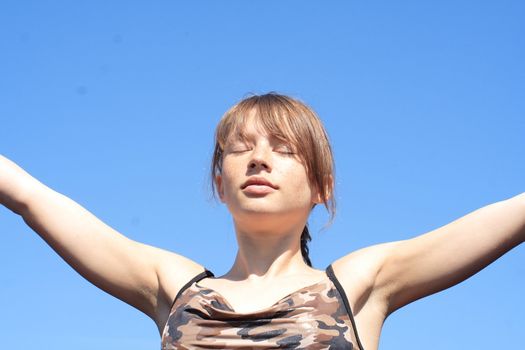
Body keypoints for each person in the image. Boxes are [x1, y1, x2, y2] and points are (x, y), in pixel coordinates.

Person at [0, 93, 523, 350]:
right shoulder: (174, 287)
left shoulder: (359, 284)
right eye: (240, 149)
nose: (258, 160)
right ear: (220, 182)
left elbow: (509, 216)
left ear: (321, 187)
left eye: (284, 149)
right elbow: (28, 197)